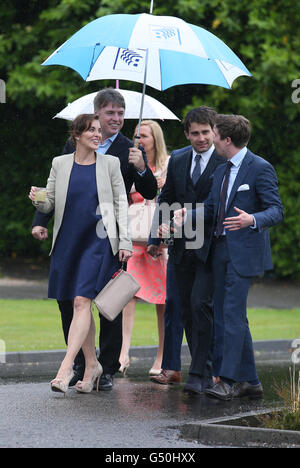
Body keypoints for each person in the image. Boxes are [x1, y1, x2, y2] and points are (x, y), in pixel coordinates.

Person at [31, 88, 157, 391]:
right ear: (96, 114)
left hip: (104, 237)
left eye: (120, 113)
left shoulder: (129, 149)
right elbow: (59, 191)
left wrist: (141, 167)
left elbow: (147, 193)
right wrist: (39, 217)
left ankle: (103, 366)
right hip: (71, 235)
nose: (116, 118)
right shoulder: (69, 150)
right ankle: (85, 365)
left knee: (103, 302)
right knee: (71, 301)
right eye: (110, 113)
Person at [175, 114, 283, 400]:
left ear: (226, 139)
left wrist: (253, 219)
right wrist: (190, 214)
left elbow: (276, 211)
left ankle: (227, 380)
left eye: (213, 133)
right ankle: (251, 381)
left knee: (231, 317)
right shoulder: (221, 170)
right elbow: (211, 208)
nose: (209, 138)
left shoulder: (260, 168)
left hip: (244, 254)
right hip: (218, 251)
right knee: (230, 316)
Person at [151, 107, 224, 392]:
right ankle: (192, 369)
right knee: (179, 307)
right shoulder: (179, 158)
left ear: (215, 131)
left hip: (211, 247)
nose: (201, 138)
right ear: (186, 134)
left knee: (201, 307)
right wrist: (155, 237)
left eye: (206, 132)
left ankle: (207, 371)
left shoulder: (224, 159)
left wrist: (188, 214)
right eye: (195, 133)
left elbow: (219, 205)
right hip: (180, 246)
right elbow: (166, 198)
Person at [119, 120, 169, 375]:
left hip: (158, 239)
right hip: (134, 236)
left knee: (162, 299)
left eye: (145, 136)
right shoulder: (130, 161)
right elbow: (122, 193)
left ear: (155, 139)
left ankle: (161, 356)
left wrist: (159, 183)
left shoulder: (167, 164)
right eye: (136, 135)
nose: (139, 139)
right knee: (128, 294)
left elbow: (173, 197)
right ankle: (123, 352)